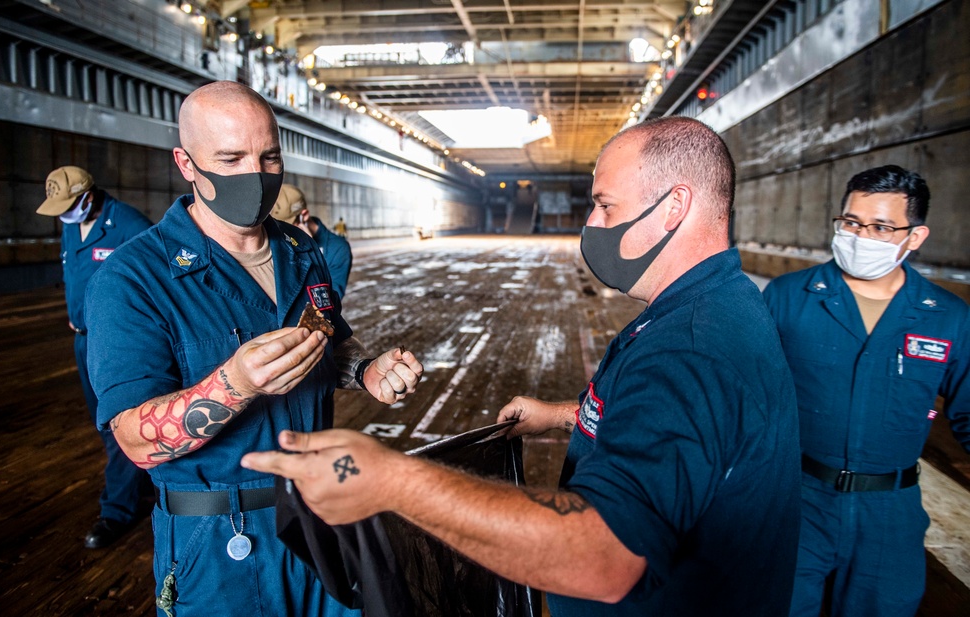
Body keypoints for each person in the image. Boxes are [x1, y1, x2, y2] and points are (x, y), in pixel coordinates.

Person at [242, 117, 803, 616]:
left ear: (674, 206)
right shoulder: (722, 304)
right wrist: (567, 416)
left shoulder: (690, 347)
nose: (592, 223)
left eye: (606, 205)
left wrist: (392, 481)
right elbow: (695, 433)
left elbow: (605, 557)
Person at [84, 81, 423, 617]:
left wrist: (365, 369)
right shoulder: (134, 278)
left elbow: (327, 339)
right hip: (221, 541)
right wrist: (235, 384)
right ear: (187, 163)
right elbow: (136, 441)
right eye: (231, 157)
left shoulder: (300, 249)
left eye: (269, 156)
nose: (256, 175)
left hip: (322, 515)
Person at [762, 165, 969, 617]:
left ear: (914, 237)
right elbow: (742, 395)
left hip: (890, 515)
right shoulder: (789, 297)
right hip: (798, 501)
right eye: (851, 223)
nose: (860, 236)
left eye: (880, 227)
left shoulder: (947, 317)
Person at [35, 165, 153, 549]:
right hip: (84, 342)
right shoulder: (72, 224)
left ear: (88, 196)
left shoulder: (129, 225)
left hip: (120, 344)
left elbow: (159, 278)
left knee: (119, 424)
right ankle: (143, 485)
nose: (64, 216)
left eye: (68, 206)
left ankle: (118, 510)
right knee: (104, 427)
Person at [271, 184, 353, 298]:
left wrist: (307, 253)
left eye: (288, 225)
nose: (283, 232)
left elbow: (331, 301)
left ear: (304, 216)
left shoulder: (337, 248)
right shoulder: (275, 238)